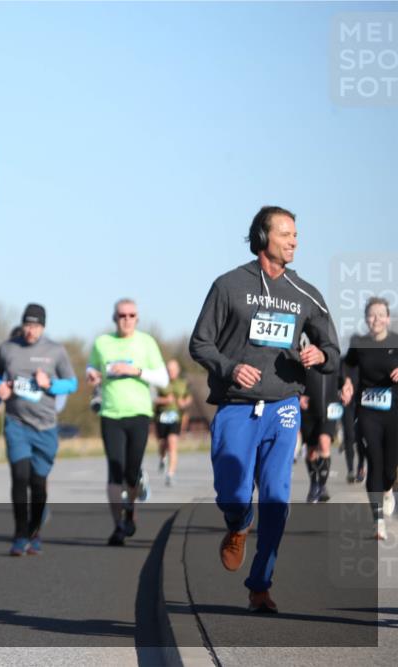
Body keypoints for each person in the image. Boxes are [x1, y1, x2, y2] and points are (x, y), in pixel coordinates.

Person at [189, 206, 339, 613]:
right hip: (236, 407)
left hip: (284, 406)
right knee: (234, 493)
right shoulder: (229, 285)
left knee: (276, 497)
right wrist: (229, 367)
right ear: (262, 237)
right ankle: (238, 524)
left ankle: (260, 586)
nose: (294, 241)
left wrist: (317, 355)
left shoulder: (305, 293)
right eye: (286, 233)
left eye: (296, 235)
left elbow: (332, 351)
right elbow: (199, 343)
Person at [0, 304, 77, 556]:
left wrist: (50, 383)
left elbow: (71, 383)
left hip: (45, 426)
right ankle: (20, 536)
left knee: (38, 484)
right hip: (16, 423)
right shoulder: (8, 348)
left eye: (36, 326)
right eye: (28, 325)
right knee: (20, 477)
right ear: (22, 325)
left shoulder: (56, 351)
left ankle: (34, 533)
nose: (31, 331)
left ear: (43, 326)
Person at [87, 299, 168, 546]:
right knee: (115, 470)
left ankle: (130, 509)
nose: (127, 319)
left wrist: (137, 372)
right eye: (122, 315)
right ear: (114, 317)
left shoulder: (147, 342)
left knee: (131, 473)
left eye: (132, 315)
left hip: (139, 414)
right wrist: (90, 374)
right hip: (111, 414)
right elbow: (91, 367)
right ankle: (118, 525)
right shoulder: (102, 343)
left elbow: (163, 379)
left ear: (137, 319)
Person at [340, 297, 398, 540]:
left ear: (388, 318)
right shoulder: (359, 343)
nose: (376, 319)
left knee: (389, 468)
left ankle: (387, 489)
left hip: (394, 410)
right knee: (373, 461)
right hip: (367, 411)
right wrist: (346, 383)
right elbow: (346, 364)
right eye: (371, 315)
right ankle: (378, 523)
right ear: (366, 318)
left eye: (380, 314)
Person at [299, 363, 344, 503]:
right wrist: (298, 395)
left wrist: (346, 388)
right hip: (309, 411)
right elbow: (293, 380)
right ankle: (314, 484)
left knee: (324, 444)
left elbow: (344, 379)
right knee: (311, 451)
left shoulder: (334, 359)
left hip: (329, 410)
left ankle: (322, 485)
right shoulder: (304, 358)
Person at [154, 359, 193, 486]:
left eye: (173, 370)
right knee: (162, 444)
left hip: (176, 418)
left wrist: (184, 402)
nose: (171, 372)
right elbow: (152, 398)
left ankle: (170, 474)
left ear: (178, 370)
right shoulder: (160, 383)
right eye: (169, 370)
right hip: (161, 417)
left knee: (172, 443)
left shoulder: (183, 383)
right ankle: (162, 457)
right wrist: (163, 400)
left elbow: (189, 397)